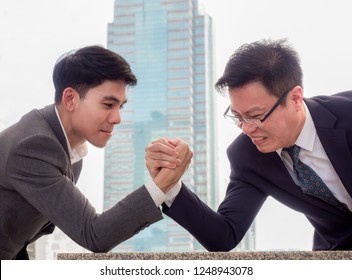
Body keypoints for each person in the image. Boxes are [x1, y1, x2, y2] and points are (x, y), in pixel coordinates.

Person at [145, 39, 352, 251]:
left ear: (296, 98)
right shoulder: (246, 156)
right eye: (237, 117)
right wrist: (169, 184)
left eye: (255, 116)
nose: (246, 128)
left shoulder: (347, 112)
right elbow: (224, 236)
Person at [0, 45, 192, 260]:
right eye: (108, 104)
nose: (117, 118)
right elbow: (95, 234)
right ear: (70, 99)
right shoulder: (35, 146)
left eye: (121, 106)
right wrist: (162, 184)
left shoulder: (69, 152)